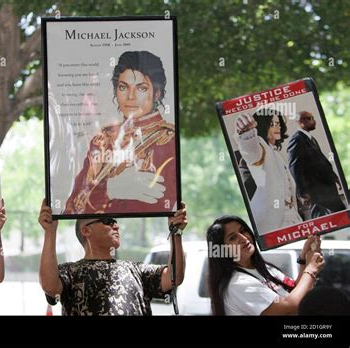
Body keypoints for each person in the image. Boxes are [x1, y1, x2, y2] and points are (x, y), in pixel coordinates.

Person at [64, 51, 177, 214]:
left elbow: (158, 205)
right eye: (123, 87)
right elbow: (73, 208)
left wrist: (103, 194)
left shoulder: (167, 141)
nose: (130, 97)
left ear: (157, 93)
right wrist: (110, 189)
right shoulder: (101, 140)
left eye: (142, 88)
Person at [39, 199, 187, 315]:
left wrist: (176, 233)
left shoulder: (136, 269)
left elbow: (174, 277)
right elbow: (50, 287)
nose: (116, 226)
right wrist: (50, 232)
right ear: (86, 230)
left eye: (115, 222)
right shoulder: (70, 272)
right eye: (108, 222)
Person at [207, 215, 325, 315]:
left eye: (243, 230)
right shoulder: (238, 284)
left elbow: (295, 294)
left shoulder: (263, 268)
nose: (243, 238)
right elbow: (289, 306)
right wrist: (311, 270)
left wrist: (304, 259)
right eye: (232, 238)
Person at [234, 108, 302, 233]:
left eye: (278, 123)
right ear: (263, 126)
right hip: (271, 222)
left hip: (292, 218)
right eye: (272, 124)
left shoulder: (276, 152)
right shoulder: (260, 146)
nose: (278, 127)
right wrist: (247, 133)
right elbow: (251, 152)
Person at [288, 111, 346, 219]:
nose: (313, 120)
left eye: (313, 117)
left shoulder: (310, 138)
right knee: (338, 214)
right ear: (301, 122)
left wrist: (334, 176)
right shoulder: (297, 140)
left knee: (328, 215)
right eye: (310, 118)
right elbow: (294, 168)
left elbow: (320, 161)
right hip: (316, 190)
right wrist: (302, 193)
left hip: (325, 187)